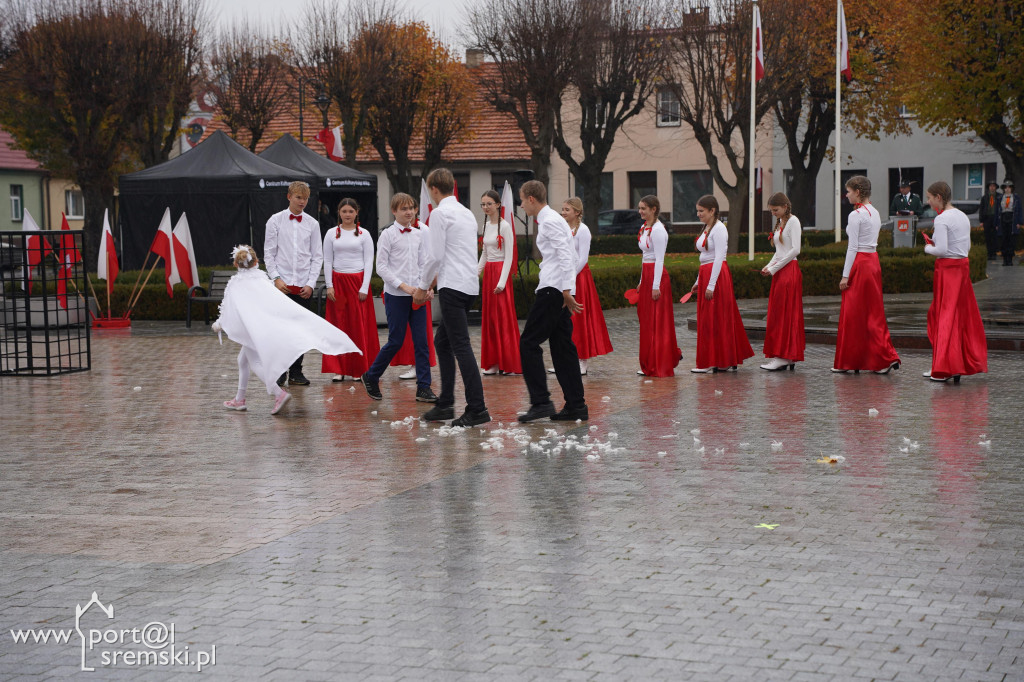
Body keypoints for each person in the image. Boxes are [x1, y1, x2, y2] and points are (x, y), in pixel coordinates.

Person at [215, 245, 360, 415]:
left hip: (252, 329)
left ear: (235, 264)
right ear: (256, 261)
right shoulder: (261, 279)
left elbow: (229, 308)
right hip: (263, 327)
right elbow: (275, 300)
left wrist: (219, 324)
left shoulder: (236, 284)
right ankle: (239, 399)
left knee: (253, 362)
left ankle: (278, 394)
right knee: (243, 360)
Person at [413, 168, 490, 427]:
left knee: (460, 346)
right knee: (443, 343)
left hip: (452, 286)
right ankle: (445, 403)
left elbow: (434, 255)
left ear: (434, 189)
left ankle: (477, 408)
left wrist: (422, 288)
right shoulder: (467, 213)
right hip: (468, 285)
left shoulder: (439, 214)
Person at [516, 180, 588, 422]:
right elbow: (571, 254)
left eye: (522, 200)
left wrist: (567, 289)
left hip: (553, 290)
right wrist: (566, 288)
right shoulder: (552, 220)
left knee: (528, 343)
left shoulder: (549, 221)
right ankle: (576, 405)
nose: (521, 205)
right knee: (562, 348)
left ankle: (541, 402)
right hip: (556, 288)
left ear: (531, 199)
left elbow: (567, 255)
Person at [360, 193, 437, 402]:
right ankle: (371, 375)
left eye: (411, 208)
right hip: (396, 295)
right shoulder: (387, 235)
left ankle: (423, 387)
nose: (409, 212)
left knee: (422, 343)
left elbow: (424, 263)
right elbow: (381, 267)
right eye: (404, 209)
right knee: (396, 340)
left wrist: (426, 287)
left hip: (417, 296)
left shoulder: (419, 234)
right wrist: (403, 286)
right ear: (394, 211)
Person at [832, 175, 901, 374]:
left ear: (858, 192)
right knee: (873, 313)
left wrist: (845, 276)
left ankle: (851, 361)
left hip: (860, 264)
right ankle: (879, 358)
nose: (846, 195)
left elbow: (852, 247)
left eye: (848, 191)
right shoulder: (875, 212)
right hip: (873, 263)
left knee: (853, 313)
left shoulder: (855, 215)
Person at [922, 181, 987, 382]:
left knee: (944, 316)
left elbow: (940, 250)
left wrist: (927, 248)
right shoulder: (962, 216)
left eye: (930, 198)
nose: (929, 202)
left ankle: (943, 367)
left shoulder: (942, 220)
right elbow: (965, 246)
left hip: (947, 270)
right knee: (959, 316)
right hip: (961, 268)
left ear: (939, 197)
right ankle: (954, 364)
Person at [263, 181, 322, 387]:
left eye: (305, 198)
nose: (302, 202)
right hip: (282, 285)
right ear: (289, 197)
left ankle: (296, 372)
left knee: (300, 332)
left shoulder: (312, 224)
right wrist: (276, 278)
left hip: (303, 287)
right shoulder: (275, 221)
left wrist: (311, 284)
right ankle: (279, 371)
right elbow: (269, 254)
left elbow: (317, 256)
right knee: (280, 330)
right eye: (298, 197)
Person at [690, 195, 753, 373]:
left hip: (716, 276)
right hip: (706, 273)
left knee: (716, 318)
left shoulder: (719, 229)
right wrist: (698, 281)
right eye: (698, 211)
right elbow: (704, 258)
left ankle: (716, 360)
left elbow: (718, 258)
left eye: (702, 211)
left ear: (712, 210)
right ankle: (719, 359)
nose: (698, 214)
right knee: (709, 319)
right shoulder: (707, 227)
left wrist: (711, 285)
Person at [321, 198, 380, 381]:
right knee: (339, 325)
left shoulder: (364, 234)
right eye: (344, 211)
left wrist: (364, 286)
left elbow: (369, 261)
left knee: (358, 325)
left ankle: (359, 368)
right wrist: (330, 285)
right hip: (338, 285)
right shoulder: (331, 233)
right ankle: (339, 368)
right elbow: (328, 260)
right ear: (339, 212)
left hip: (358, 284)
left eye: (350, 211)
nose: (347, 214)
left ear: (356, 213)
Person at [560, 197, 612, 375]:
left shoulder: (584, 230)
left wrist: (570, 276)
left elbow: (583, 258)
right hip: (565, 276)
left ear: (577, 212)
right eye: (563, 209)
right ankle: (566, 358)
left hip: (579, 278)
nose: (563, 212)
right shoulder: (564, 228)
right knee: (564, 319)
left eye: (567, 209)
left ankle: (582, 359)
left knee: (579, 318)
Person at [636, 195, 682, 376]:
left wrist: (656, 286)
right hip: (647, 276)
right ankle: (649, 361)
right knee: (647, 321)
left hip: (657, 277)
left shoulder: (658, 230)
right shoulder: (643, 227)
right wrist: (641, 281)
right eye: (639, 208)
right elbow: (644, 258)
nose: (640, 211)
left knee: (658, 321)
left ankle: (661, 362)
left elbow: (659, 259)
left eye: (643, 208)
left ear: (653, 209)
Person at [477, 189, 521, 375]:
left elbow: (509, 256)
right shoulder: (487, 225)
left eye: (489, 203)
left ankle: (509, 362)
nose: (486, 207)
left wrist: (502, 282)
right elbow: (485, 254)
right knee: (491, 319)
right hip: (489, 275)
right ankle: (494, 362)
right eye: (483, 204)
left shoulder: (505, 226)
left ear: (497, 204)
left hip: (501, 274)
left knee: (503, 318)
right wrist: (475, 273)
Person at [760, 192, 804, 371]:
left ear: (785, 207)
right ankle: (784, 355)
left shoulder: (793, 221)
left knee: (786, 313)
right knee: (779, 313)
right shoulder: (780, 223)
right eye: (771, 210)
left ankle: (784, 356)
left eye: (775, 210)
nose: (773, 213)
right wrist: (768, 266)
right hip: (780, 271)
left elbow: (795, 250)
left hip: (789, 272)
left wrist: (774, 268)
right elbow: (779, 252)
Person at [998, 179, 1023, 266]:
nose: (1007, 189)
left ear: (1012, 188)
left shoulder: (1016, 198)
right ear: (1004, 189)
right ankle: (1005, 259)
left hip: (1012, 219)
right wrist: (997, 223)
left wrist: (1019, 222)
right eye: (1006, 187)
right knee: (1004, 240)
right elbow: (997, 211)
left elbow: (1019, 210)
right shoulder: (1000, 198)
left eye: (1009, 187)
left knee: (1011, 240)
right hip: (1003, 218)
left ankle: (1010, 259)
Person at [978, 180, 1002, 261]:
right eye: (990, 186)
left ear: (996, 188)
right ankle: (989, 254)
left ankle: (994, 253)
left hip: (995, 218)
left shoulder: (999, 196)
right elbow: (981, 209)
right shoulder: (985, 197)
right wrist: (981, 221)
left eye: (993, 186)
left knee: (995, 237)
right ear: (988, 188)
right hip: (987, 219)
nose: (992, 188)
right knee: (988, 237)